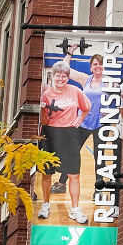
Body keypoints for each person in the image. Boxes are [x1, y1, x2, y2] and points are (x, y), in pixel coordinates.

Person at [38, 60, 90, 224]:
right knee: (47, 173)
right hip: (50, 134)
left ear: (68, 77)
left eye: (64, 76)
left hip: (69, 134)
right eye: (58, 75)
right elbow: (44, 121)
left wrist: (79, 119)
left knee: (73, 174)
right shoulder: (46, 95)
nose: (61, 78)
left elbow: (87, 107)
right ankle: (46, 205)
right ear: (53, 76)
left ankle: (75, 209)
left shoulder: (75, 91)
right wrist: (42, 107)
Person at [50, 50, 106, 195]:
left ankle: (98, 190)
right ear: (91, 67)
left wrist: (114, 110)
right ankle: (61, 183)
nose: (97, 66)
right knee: (72, 152)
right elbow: (65, 67)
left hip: (101, 124)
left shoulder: (110, 82)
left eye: (100, 64)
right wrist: (70, 51)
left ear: (103, 66)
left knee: (99, 156)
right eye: (95, 64)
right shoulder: (86, 79)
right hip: (82, 122)